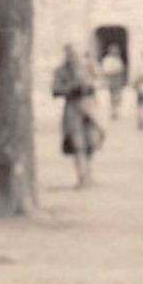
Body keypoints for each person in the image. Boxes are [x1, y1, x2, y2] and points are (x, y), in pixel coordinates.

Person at [52, 45, 105, 188]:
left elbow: (100, 81)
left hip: (90, 108)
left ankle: (89, 175)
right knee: (78, 144)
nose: (73, 57)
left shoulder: (89, 67)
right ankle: (82, 177)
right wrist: (71, 88)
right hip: (72, 109)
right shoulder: (60, 71)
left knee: (92, 142)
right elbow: (55, 90)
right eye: (69, 54)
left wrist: (91, 85)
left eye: (75, 54)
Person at [99, 49, 127, 121]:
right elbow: (105, 70)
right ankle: (112, 112)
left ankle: (115, 112)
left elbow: (121, 69)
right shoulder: (108, 60)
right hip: (111, 79)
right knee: (111, 96)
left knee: (116, 96)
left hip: (116, 79)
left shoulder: (117, 59)